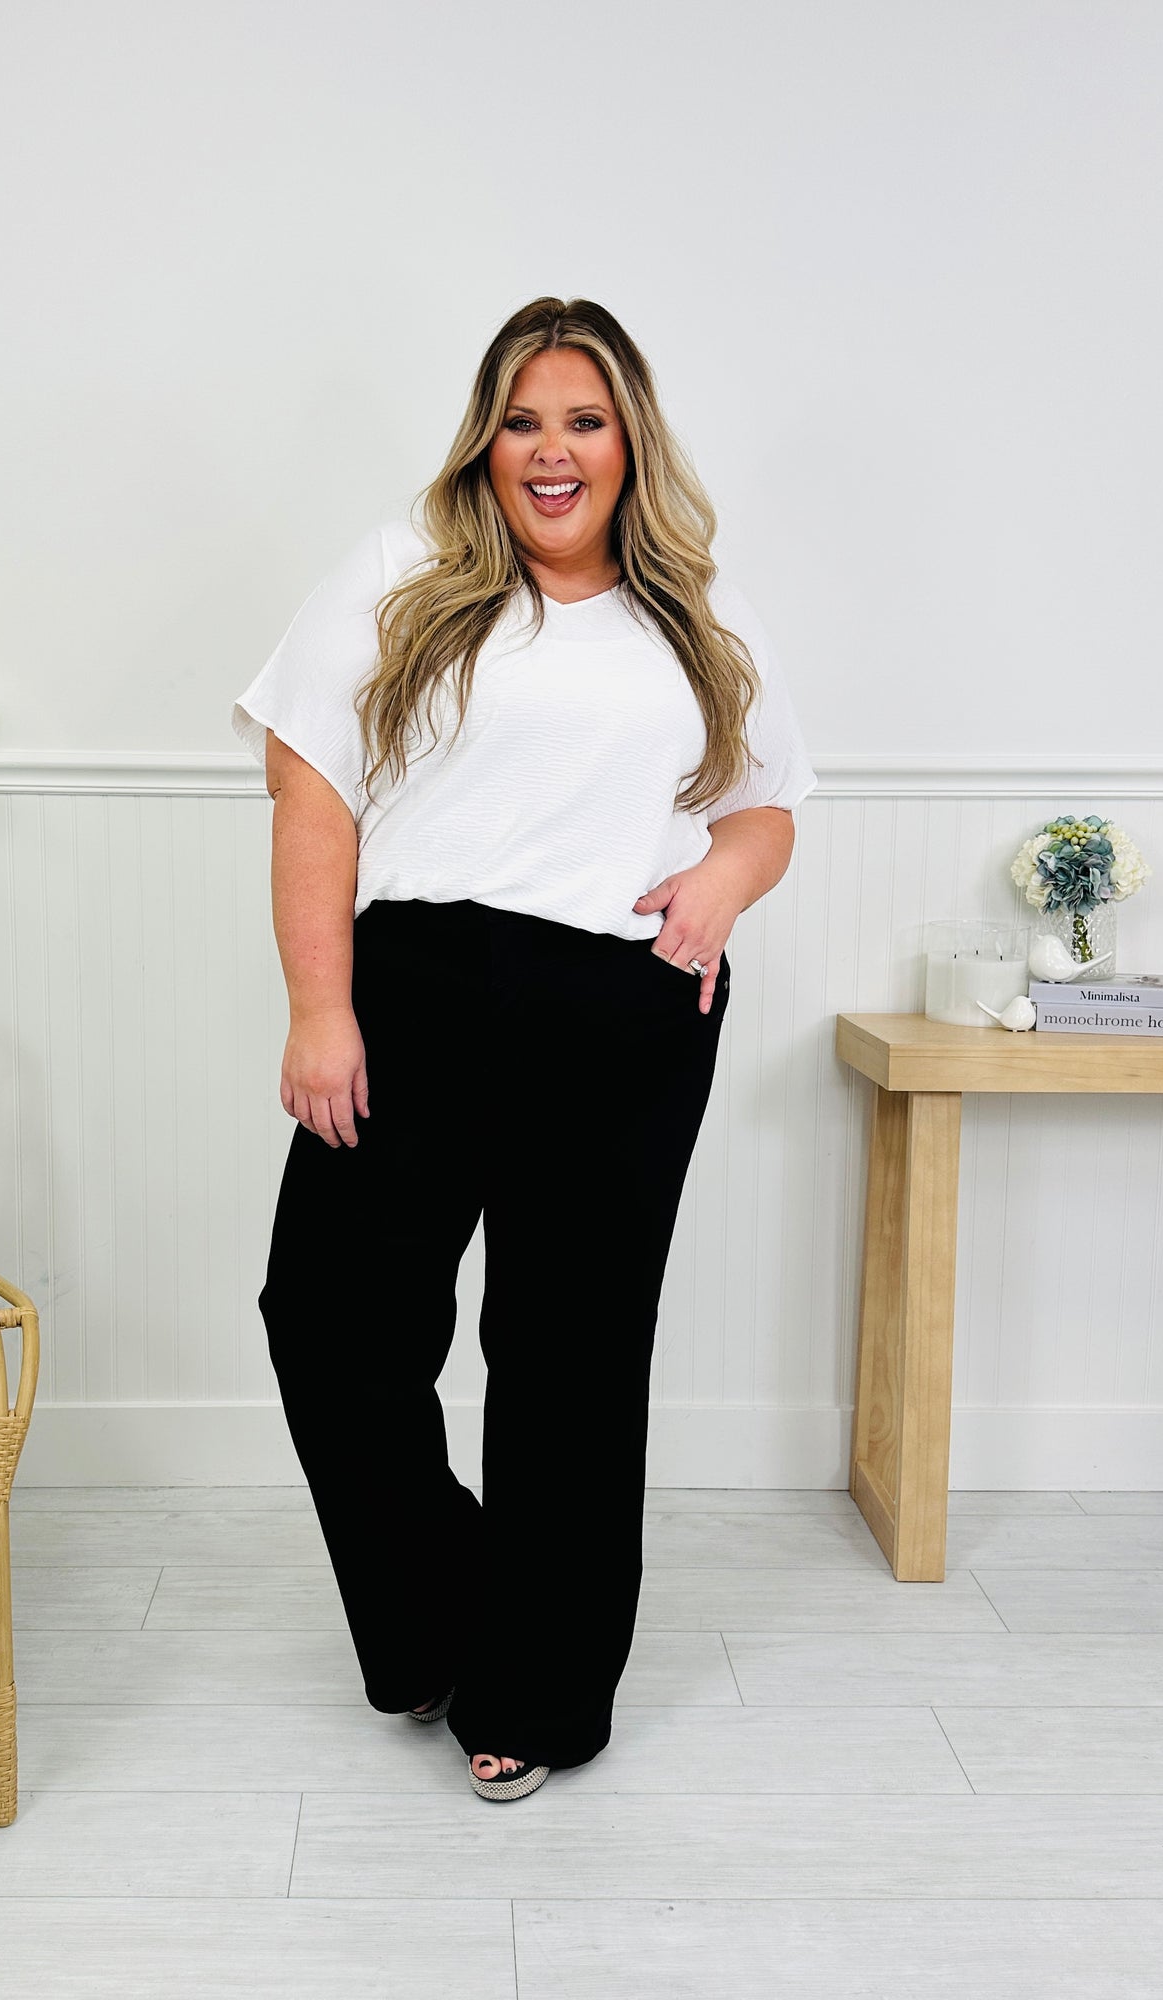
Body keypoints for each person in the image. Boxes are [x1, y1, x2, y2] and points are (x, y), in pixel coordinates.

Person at [230, 296, 818, 1803]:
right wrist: (320, 1006)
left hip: (625, 1004)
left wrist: (724, 881)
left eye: (584, 421)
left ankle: (540, 1691)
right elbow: (312, 794)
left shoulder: (698, 611)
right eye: (522, 419)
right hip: (416, 984)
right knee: (329, 1321)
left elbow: (765, 806)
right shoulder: (404, 573)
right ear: (485, 440)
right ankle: (448, 1614)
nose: (552, 452)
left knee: (568, 1358)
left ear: (630, 442)